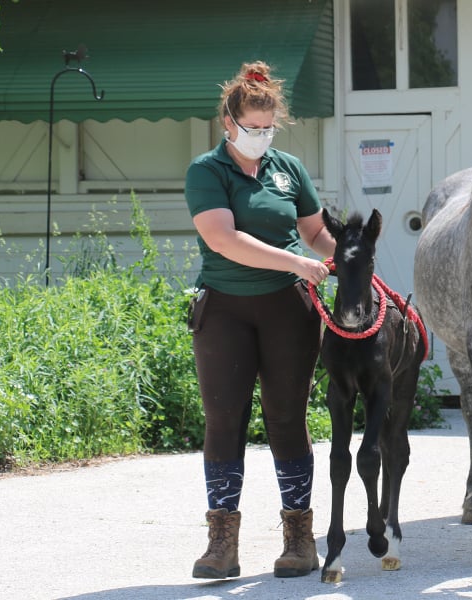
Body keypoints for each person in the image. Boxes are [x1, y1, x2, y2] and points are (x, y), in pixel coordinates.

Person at [184, 61, 335, 580]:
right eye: (253, 128)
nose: (262, 137)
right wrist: (295, 261)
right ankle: (222, 541)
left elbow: (316, 234)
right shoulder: (206, 171)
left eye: (269, 128)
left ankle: (299, 538)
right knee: (224, 419)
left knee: (287, 416)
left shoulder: (287, 168)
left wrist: (350, 258)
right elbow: (223, 239)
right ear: (229, 124)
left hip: (288, 309)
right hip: (224, 308)